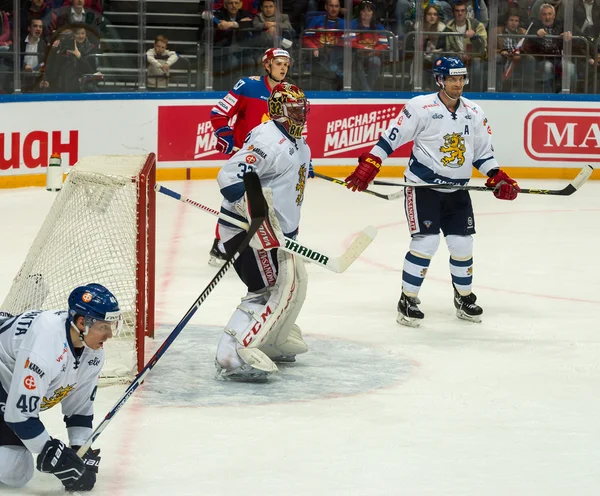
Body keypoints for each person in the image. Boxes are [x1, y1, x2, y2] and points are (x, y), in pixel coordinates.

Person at [344, 56, 520, 327]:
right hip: (422, 187)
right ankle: (408, 300)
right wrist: (373, 160)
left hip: (458, 190)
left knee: (462, 245)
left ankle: (463, 297)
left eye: (460, 78)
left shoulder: (474, 112)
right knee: (426, 243)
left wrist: (497, 176)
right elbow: (392, 137)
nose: (457, 84)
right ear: (440, 80)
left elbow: (483, 154)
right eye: (452, 79)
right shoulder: (420, 107)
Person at [215, 82, 311, 382]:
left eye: (302, 109)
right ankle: (231, 354)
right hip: (249, 234)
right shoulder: (268, 141)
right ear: (278, 111)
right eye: (294, 110)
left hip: (277, 235)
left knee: (293, 286)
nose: (301, 115)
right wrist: (257, 217)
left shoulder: (295, 141)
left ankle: (271, 338)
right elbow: (229, 178)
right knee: (266, 292)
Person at [0, 283, 122, 490]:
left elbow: (79, 412)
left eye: (112, 325)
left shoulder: (93, 353)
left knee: (18, 470)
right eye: (104, 326)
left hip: (9, 378)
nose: (109, 334)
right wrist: (53, 452)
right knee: (14, 472)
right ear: (82, 323)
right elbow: (19, 415)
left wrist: (81, 452)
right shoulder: (45, 345)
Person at [208, 47, 292, 266]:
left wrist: (303, 157)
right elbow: (219, 112)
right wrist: (224, 132)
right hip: (247, 157)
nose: (283, 67)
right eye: (278, 63)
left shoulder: (290, 92)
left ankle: (276, 243)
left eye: (286, 64)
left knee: (277, 199)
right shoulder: (248, 85)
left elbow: (295, 128)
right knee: (236, 200)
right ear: (267, 65)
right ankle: (220, 244)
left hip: (274, 158)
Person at [351, 0, 388, 91]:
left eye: (369, 10)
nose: (366, 13)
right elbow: (349, 41)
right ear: (359, 12)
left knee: (375, 61)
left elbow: (384, 45)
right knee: (357, 61)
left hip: (373, 54)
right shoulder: (352, 24)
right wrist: (362, 48)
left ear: (373, 13)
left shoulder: (378, 26)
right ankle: (367, 90)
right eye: (363, 10)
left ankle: (366, 89)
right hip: (357, 54)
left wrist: (373, 51)